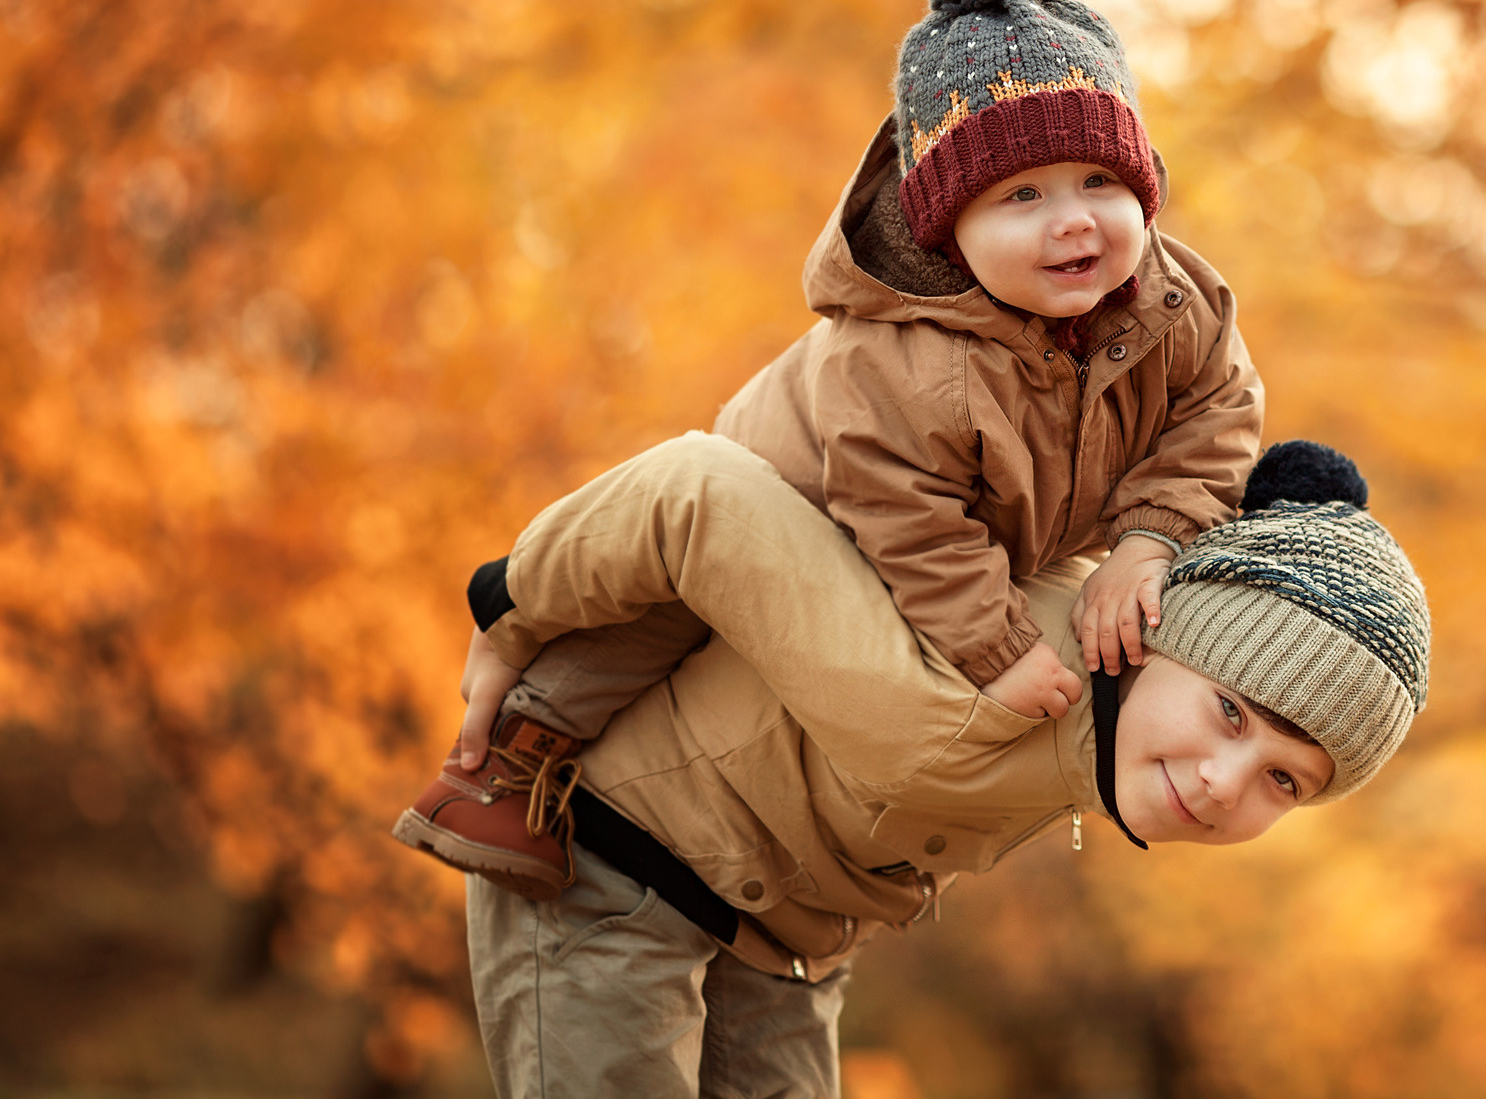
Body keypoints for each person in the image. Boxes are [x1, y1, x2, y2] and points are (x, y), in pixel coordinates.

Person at [394, 0, 1263, 901]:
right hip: (800, 491)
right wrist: (995, 646)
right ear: (949, 228)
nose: (1072, 220)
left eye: (1100, 183)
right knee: (658, 627)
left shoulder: (1176, 303)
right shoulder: (904, 360)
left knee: (765, 688)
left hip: (975, 525)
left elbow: (1217, 416)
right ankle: (502, 767)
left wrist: (1149, 540)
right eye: (1020, 195)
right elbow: (902, 510)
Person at [454, 433, 1429, 1098]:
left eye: (1283, 780)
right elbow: (700, 489)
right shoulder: (987, 661)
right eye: (1229, 711)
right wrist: (514, 612)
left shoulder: (1106, 737)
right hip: (612, 864)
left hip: (771, 942)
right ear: (1155, 628)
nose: (1226, 780)